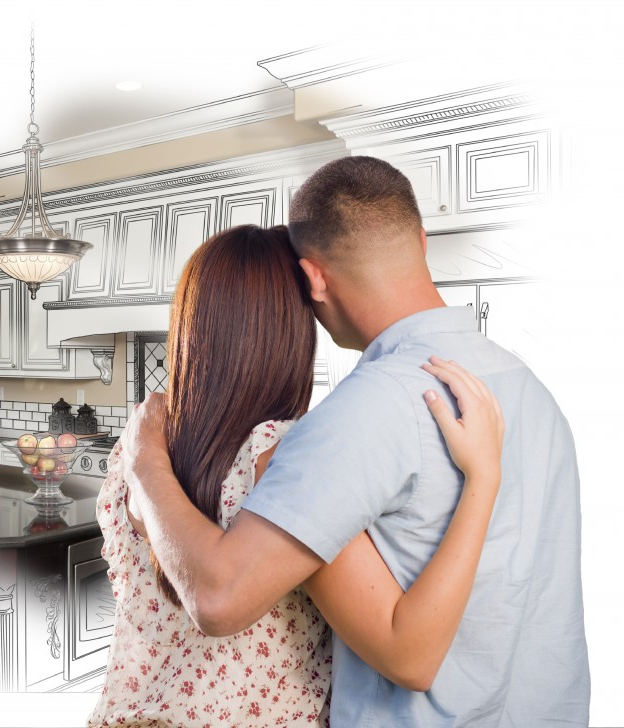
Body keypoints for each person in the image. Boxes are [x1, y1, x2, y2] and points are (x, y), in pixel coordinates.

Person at [120, 157, 590, 726]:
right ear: (419, 238)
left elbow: (219, 599)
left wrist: (145, 460)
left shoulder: (362, 413)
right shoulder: (527, 389)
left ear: (313, 278)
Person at [89, 224, 505, 727]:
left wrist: (145, 462)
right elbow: (408, 654)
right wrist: (483, 476)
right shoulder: (283, 459)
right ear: (292, 334)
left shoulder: (137, 447)